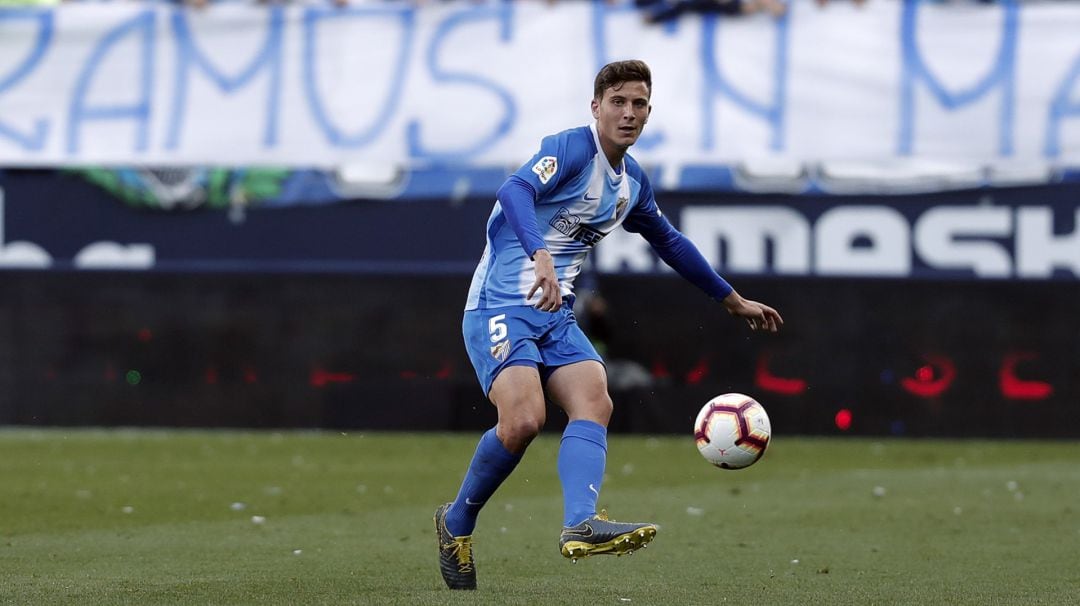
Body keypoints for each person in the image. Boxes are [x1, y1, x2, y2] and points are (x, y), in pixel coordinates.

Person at [435, 59, 783, 591]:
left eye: (638, 103)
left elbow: (669, 241)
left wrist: (730, 299)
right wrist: (540, 254)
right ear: (596, 107)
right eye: (617, 101)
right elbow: (513, 191)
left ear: (648, 113)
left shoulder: (631, 184)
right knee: (524, 421)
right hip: (499, 305)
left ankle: (581, 523)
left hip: (554, 313)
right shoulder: (572, 148)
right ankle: (455, 521)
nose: (628, 112)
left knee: (594, 399)